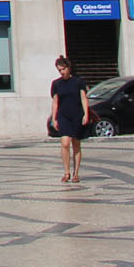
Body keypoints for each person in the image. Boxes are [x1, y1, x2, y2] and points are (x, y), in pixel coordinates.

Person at [50, 54, 90, 184]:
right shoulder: (56, 84)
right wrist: (54, 118)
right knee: (65, 143)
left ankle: (76, 173)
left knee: (76, 144)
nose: (62, 72)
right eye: (59, 70)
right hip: (63, 115)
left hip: (77, 114)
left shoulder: (79, 82)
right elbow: (55, 101)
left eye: (63, 69)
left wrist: (86, 114)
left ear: (69, 68)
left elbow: (84, 98)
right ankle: (66, 172)